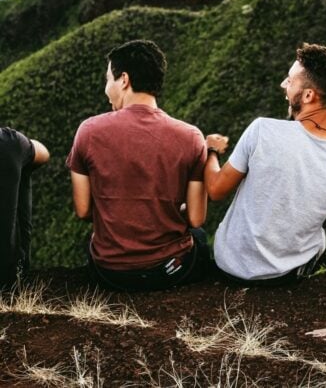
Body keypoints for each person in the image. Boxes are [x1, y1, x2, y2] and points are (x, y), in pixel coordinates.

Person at [66, 39, 227, 291]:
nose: (106, 88)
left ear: (124, 80)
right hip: (170, 271)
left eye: (108, 79)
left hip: (110, 273)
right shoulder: (191, 136)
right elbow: (196, 218)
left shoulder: (88, 131)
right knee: (199, 238)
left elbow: (84, 210)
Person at [205, 43, 326, 286]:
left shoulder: (262, 129)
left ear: (309, 95)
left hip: (229, 266)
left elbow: (215, 190)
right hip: (286, 276)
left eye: (290, 81)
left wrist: (211, 151)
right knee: (319, 237)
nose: (283, 85)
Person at [0, 128, 49, 288]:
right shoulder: (9, 141)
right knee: (24, 166)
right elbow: (43, 153)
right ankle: (19, 266)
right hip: (5, 281)